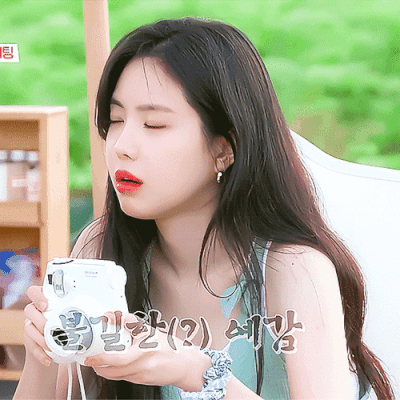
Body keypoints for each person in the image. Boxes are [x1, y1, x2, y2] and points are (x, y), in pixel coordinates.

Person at [14, 17, 394, 400]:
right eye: (115, 120)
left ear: (224, 148)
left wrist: (198, 372)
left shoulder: (293, 270)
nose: (121, 146)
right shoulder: (101, 249)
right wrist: (42, 354)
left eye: (154, 124)